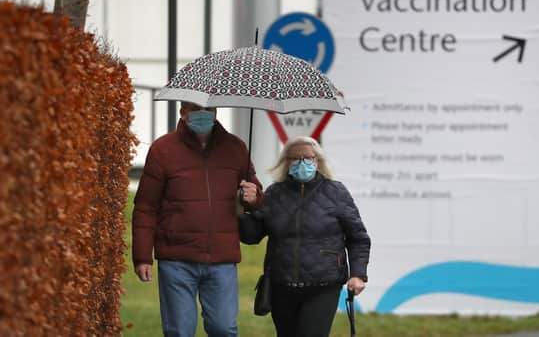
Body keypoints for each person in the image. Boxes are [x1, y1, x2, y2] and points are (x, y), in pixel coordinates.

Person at [132, 101, 263, 337]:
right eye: (196, 110)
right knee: (179, 331)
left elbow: (256, 194)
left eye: (209, 110)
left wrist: (253, 196)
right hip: (176, 258)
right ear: (183, 113)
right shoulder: (163, 150)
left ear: (216, 113)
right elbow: (145, 206)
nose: (204, 115)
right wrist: (142, 257)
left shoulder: (236, 148)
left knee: (223, 328)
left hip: (222, 258)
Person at [239, 136, 370, 337]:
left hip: (323, 285)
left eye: (308, 158)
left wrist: (358, 274)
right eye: (294, 158)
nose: (302, 163)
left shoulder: (336, 192)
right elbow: (251, 236)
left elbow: (358, 238)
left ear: (317, 160)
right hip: (282, 286)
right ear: (286, 162)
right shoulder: (274, 193)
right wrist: (244, 207)